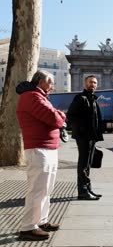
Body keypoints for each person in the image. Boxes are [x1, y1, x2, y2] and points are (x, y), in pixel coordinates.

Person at [16, 70, 66, 241]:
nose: (52, 86)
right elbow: (55, 119)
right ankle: (28, 227)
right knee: (37, 189)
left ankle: (41, 221)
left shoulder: (40, 97)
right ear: (40, 81)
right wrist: (61, 115)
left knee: (46, 189)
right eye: (50, 82)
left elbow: (54, 118)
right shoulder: (31, 97)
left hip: (48, 149)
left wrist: (58, 116)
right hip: (39, 149)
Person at [67, 75, 104, 200]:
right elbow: (71, 116)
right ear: (85, 84)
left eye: (94, 82)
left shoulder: (93, 99)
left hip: (91, 137)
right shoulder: (80, 98)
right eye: (90, 82)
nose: (92, 84)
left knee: (88, 164)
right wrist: (82, 130)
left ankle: (88, 189)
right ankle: (83, 192)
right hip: (84, 137)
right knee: (83, 164)